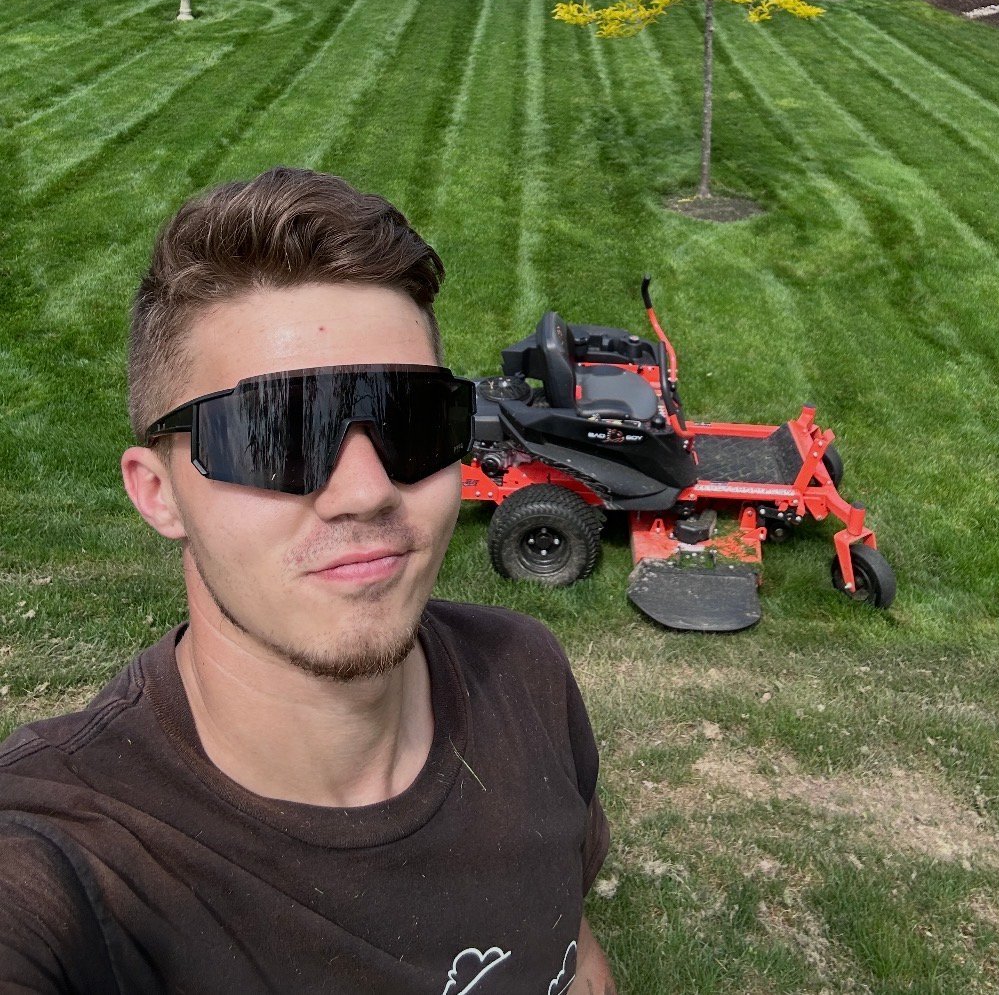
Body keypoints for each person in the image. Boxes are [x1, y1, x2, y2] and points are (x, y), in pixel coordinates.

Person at [0, 168, 616, 994]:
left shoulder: (525, 674)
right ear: (157, 492)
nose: (364, 490)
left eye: (410, 419)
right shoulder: (70, 857)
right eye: (276, 433)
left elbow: (568, 950)